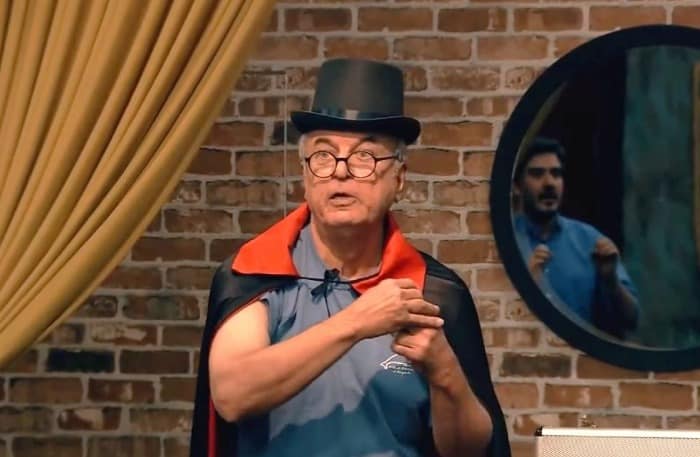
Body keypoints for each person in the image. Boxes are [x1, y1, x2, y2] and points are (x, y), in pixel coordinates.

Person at [190, 58, 509, 457]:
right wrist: (357, 322)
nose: (340, 172)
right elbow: (232, 396)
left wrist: (446, 374)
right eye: (324, 156)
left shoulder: (434, 293)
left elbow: (469, 452)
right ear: (306, 177)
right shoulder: (255, 274)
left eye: (364, 157)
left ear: (399, 179)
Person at [512, 137, 639, 338]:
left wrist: (611, 281)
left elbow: (632, 320)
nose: (549, 183)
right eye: (537, 174)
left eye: (556, 174)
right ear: (517, 186)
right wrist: (526, 287)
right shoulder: (505, 242)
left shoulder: (589, 240)